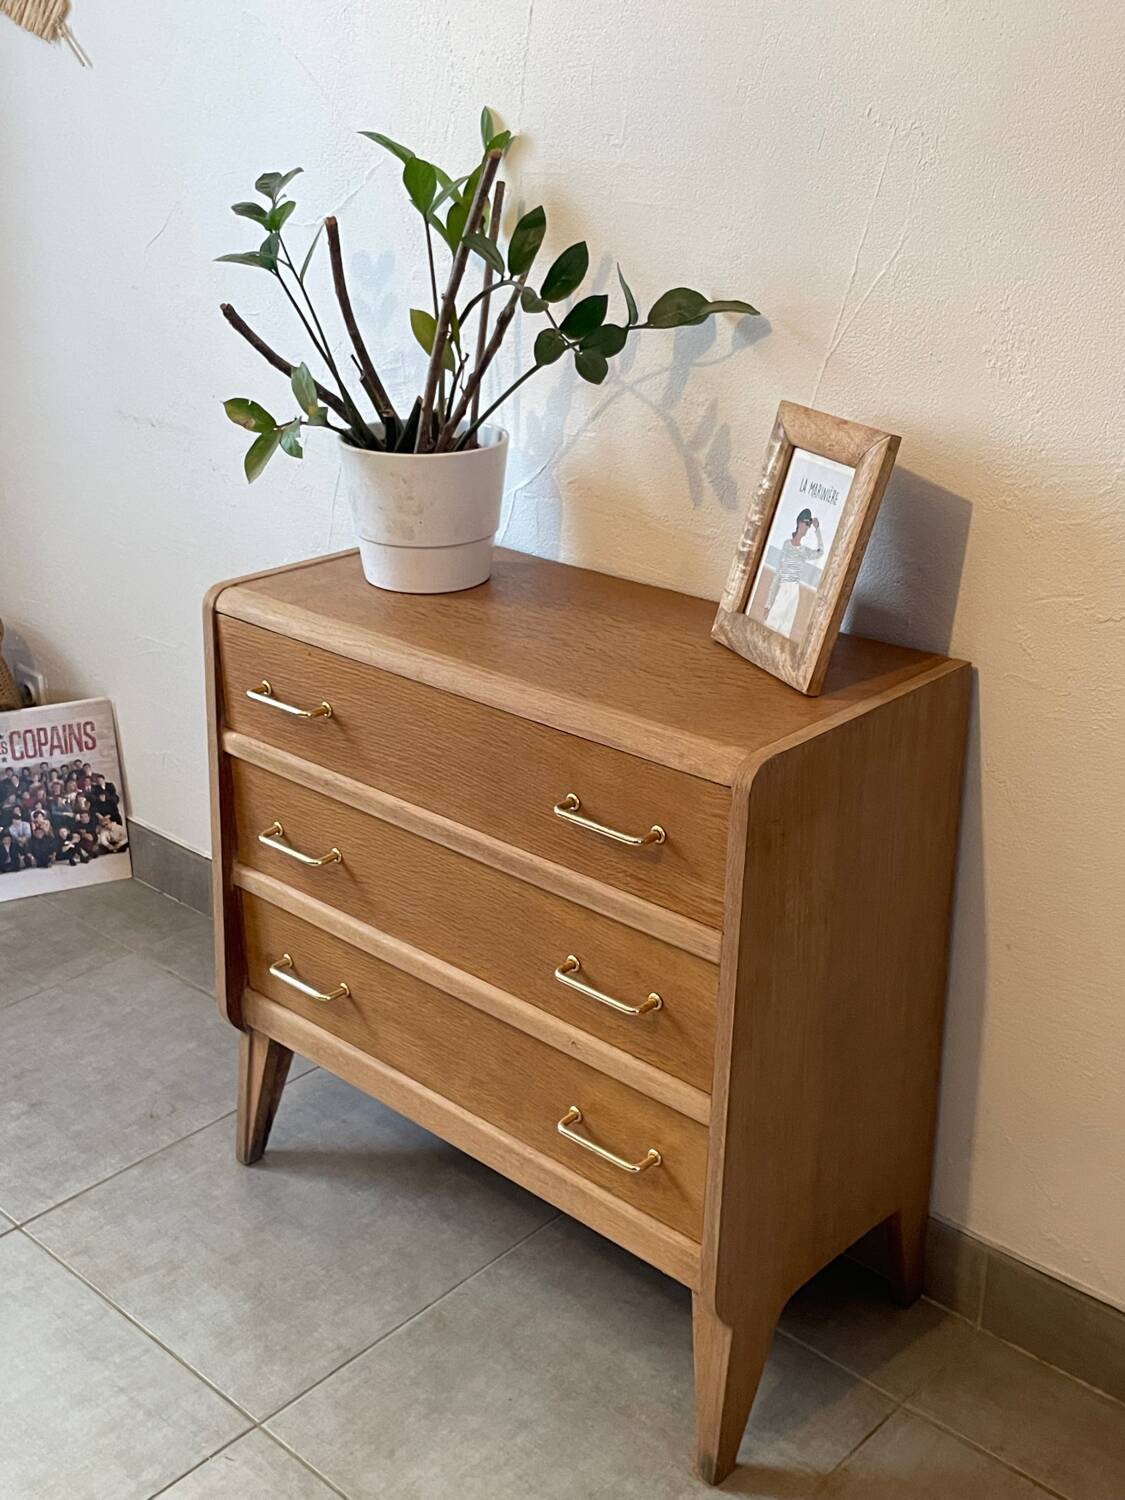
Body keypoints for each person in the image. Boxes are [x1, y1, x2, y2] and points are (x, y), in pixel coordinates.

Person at [764, 508, 823, 640]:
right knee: (771, 625)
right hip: (783, 587)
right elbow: (778, 573)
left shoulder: (804, 551)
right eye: (805, 524)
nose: (806, 528)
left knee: (785, 628)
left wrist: (817, 529)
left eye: (808, 525)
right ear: (799, 523)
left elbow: (820, 552)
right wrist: (768, 604)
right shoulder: (786, 545)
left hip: (794, 591)